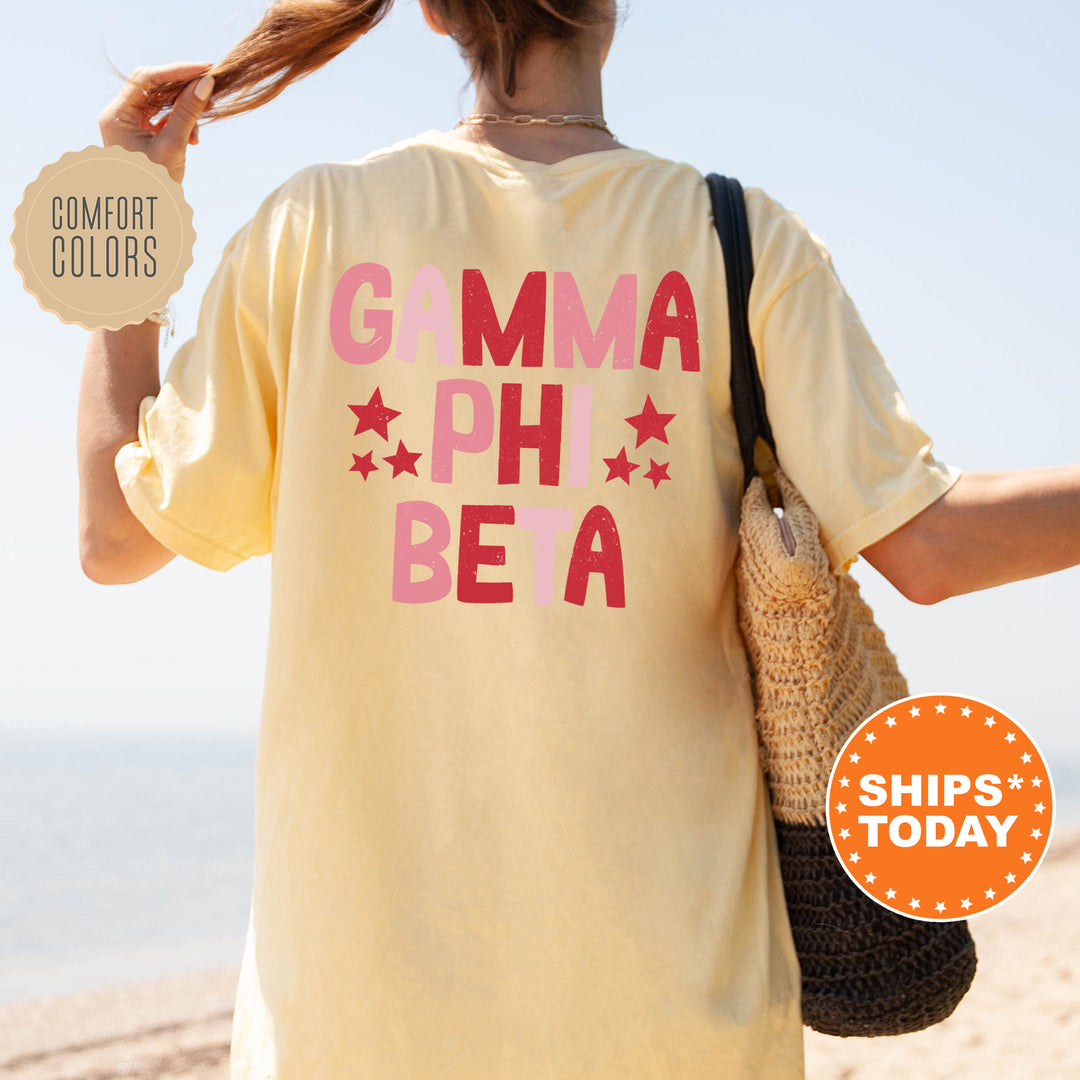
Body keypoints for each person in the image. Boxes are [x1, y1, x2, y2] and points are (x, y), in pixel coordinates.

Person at [77, 2, 1080, 1078]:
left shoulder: (314, 224)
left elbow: (115, 539)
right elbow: (930, 550)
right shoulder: (736, 239)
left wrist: (129, 213)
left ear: (430, 13)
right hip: (674, 1004)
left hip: (357, 1015)